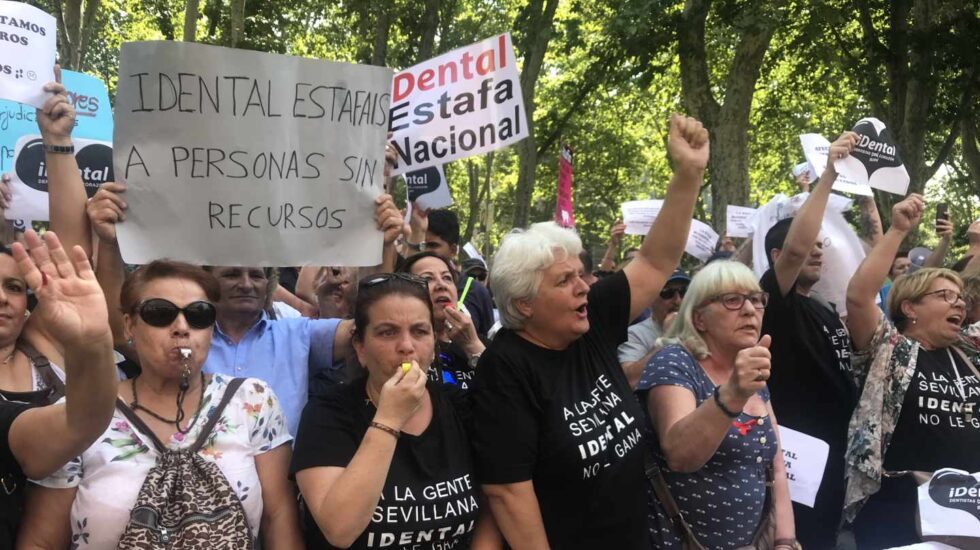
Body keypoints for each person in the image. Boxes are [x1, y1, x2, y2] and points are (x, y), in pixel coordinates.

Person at [470, 114, 709, 550]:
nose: (584, 286)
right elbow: (507, 491)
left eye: (580, 274)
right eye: (564, 281)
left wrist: (689, 173)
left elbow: (655, 262)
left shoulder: (589, 319)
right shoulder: (503, 370)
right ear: (524, 303)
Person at [19, 260, 302, 548]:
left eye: (198, 315)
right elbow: (42, 540)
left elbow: (278, 518)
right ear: (129, 324)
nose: (181, 327)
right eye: (160, 314)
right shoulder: (79, 416)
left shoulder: (252, 401)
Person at [87, 182, 406, 435]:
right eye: (231, 274)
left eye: (257, 274)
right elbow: (116, 331)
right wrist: (111, 244)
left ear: (269, 284)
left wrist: (383, 248)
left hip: (281, 492)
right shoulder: (181, 336)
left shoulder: (297, 334)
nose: (246, 283)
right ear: (208, 283)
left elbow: (373, 327)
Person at [292, 273, 500, 549]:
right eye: (387, 332)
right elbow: (339, 529)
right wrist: (389, 418)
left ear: (435, 346)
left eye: (419, 331)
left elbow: (493, 506)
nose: (406, 346)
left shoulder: (459, 406)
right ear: (360, 348)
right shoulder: (327, 413)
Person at [843, 194, 980, 548]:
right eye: (945, 296)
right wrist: (898, 230)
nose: (959, 303)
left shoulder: (969, 351)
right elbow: (859, 296)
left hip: (971, 512)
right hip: (898, 510)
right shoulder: (888, 348)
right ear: (910, 307)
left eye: (961, 298)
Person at [637, 261, 796, 549]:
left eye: (757, 299)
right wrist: (734, 392)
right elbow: (680, 455)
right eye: (732, 300)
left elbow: (775, 466)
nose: (750, 309)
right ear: (699, 319)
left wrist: (784, 540)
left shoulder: (748, 363)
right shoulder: (674, 362)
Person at [758, 131, 860, 548]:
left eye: (823, 246)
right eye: (807, 246)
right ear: (777, 258)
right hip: (798, 465)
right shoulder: (774, 303)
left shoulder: (823, 307)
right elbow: (797, 248)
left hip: (837, 456)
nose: (817, 252)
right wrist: (829, 175)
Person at [0, 231, 118, 544]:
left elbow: (78, 424)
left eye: (14, 287)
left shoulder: (40, 346)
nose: (2, 297)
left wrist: (92, 343)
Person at [400, 252, 485, 390]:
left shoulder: (481, 343)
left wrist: (472, 346)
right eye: (428, 279)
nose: (441, 285)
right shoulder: (403, 348)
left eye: (447, 278)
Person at [407, 208, 495, 339]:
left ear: (453, 250)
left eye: (432, 245)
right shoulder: (404, 287)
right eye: (428, 278)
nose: (425, 251)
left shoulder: (477, 292)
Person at [618, 268, 690, 387]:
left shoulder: (701, 327)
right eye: (667, 292)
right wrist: (667, 338)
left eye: (683, 292)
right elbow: (629, 380)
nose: (677, 300)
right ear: (650, 298)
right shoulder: (635, 334)